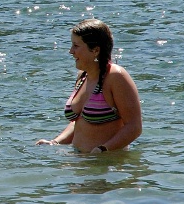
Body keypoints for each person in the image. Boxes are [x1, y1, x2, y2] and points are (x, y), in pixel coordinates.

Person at [36, 19, 142, 153]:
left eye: (76, 46)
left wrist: (103, 150)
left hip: (106, 167)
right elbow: (80, 122)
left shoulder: (115, 76)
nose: (71, 51)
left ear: (95, 50)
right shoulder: (82, 76)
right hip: (81, 164)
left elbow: (134, 126)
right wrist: (55, 142)